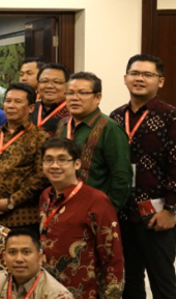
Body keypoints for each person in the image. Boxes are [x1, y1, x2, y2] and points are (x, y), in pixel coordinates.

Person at [111, 54, 176, 299]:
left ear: (160, 81)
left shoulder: (172, 116)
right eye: (134, 73)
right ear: (125, 78)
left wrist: (170, 208)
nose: (140, 78)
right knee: (130, 280)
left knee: (162, 282)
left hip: (157, 213)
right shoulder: (116, 116)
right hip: (123, 212)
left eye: (147, 74)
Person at [39, 137, 124, 299]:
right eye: (48, 160)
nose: (55, 165)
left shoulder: (96, 201)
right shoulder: (45, 196)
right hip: (49, 297)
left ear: (77, 163)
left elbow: (114, 256)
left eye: (62, 160)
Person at [0, 83, 48, 231]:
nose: (11, 106)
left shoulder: (41, 139)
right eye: (8, 101)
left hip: (22, 216)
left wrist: (12, 201)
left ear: (31, 108)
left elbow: (41, 177)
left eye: (18, 102)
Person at [56, 72, 132, 211]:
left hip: (93, 210)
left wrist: (108, 210)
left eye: (83, 93)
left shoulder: (110, 128)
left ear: (98, 97)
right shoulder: (62, 124)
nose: (75, 98)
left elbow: (121, 177)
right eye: (70, 93)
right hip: (62, 206)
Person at [31, 63, 70, 135]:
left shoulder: (74, 111)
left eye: (56, 82)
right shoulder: (29, 109)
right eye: (44, 81)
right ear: (38, 85)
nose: (49, 86)